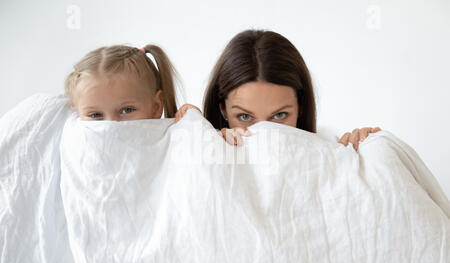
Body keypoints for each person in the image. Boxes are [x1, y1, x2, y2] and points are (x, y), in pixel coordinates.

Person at [179, 29, 380, 150]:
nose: (264, 134)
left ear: (300, 107)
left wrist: (360, 146)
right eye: (245, 117)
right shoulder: (209, 153)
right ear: (222, 109)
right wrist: (199, 132)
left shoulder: (327, 151)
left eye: (280, 115)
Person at [65, 44, 196, 122]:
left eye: (126, 110)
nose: (111, 124)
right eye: (95, 115)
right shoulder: (72, 146)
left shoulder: (173, 142)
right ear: (77, 113)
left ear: (156, 107)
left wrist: (193, 122)